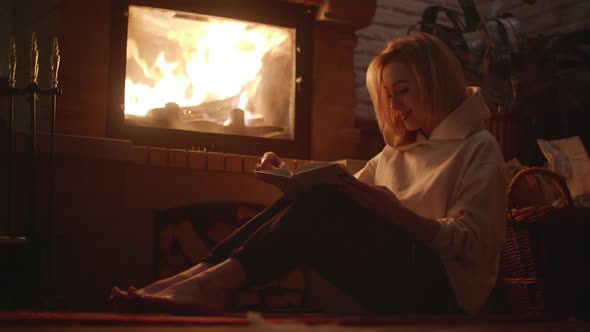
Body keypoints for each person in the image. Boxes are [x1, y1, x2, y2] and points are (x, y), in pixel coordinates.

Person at [110, 32, 506, 315]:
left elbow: (472, 245)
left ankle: (209, 286)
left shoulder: (478, 148)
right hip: (396, 278)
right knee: (309, 195)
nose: (394, 104)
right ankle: (194, 278)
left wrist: (401, 216)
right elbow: (339, 193)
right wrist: (289, 174)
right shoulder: (397, 152)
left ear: (433, 83)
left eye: (403, 90)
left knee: (322, 200)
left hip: (443, 294)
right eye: (388, 94)